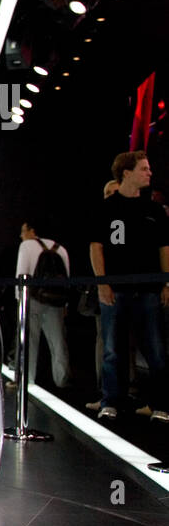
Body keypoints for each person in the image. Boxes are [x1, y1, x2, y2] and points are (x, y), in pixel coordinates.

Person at [89, 150, 169, 421]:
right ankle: (111, 401)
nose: (149, 173)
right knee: (113, 349)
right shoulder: (106, 208)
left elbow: (164, 248)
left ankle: (160, 404)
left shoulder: (155, 210)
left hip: (148, 291)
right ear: (127, 173)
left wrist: (165, 282)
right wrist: (103, 283)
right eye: (144, 168)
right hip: (116, 290)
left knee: (156, 350)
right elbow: (96, 247)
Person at [15, 219, 71, 388]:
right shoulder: (60, 248)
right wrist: (65, 305)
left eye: (23, 231)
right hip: (56, 301)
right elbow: (67, 278)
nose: (21, 235)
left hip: (32, 299)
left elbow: (21, 272)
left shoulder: (26, 246)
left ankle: (27, 379)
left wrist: (19, 300)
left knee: (29, 340)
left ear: (32, 231)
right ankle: (62, 379)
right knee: (58, 342)